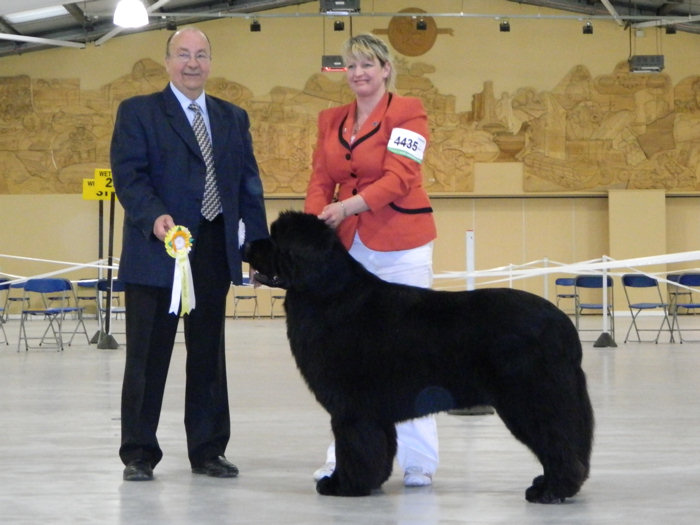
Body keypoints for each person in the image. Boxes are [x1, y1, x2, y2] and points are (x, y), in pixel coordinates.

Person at [111, 27, 268, 482]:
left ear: (211, 61)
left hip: (212, 255)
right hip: (156, 251)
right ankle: (139, 453)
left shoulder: (233, 118)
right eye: (183, 54)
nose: (192, 63)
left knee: (208, 357)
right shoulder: (138, 112)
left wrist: (256, 248)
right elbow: (129, 176)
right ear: (168, 61)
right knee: (146, 357)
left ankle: (208, 450)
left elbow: (248, 187)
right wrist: (155, 216)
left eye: (201, 54)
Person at [304, 33, 439, 488]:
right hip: (347, 248)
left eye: (368, 64)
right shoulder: (330, 119)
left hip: (403, 244)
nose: (359, 72)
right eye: (352, 65)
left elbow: (402, 177)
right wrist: (312, 232)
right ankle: (346, 457)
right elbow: (321, 180)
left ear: (386, 69)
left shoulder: (408, 112)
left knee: (413, 352)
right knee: (349, 361)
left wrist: (348, 207)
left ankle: (419, 460)